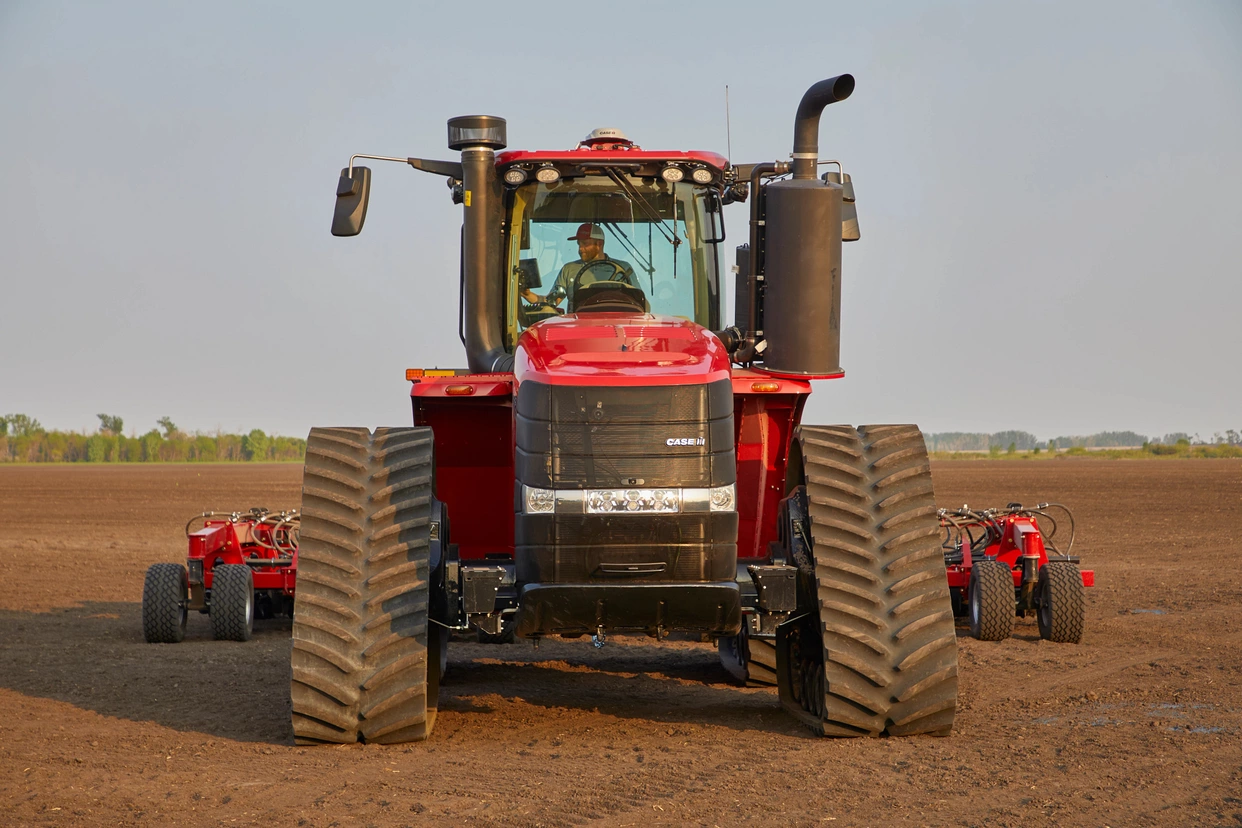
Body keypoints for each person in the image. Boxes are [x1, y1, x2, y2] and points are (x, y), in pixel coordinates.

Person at [522, 223, 637, 309]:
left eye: (585, 244)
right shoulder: (569, 270)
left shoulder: (624, 269)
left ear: (599, 244)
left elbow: (640, 303)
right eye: (579, 244)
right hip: (578, 327)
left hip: (614, 326)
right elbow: (551, 302)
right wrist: (528, 294)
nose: (580, 249)